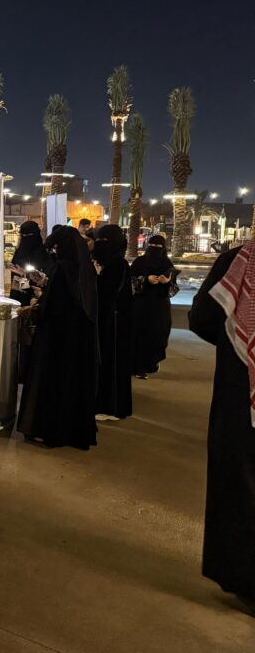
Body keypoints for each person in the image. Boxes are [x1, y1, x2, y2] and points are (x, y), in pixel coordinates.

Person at [188, 240, 255, 612]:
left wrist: (234, 346)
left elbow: (203, 317)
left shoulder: (241, 259)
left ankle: (244, 576)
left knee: (241, 477)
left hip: (241, 390)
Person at [17, 225, 100, 449]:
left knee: (50, 383)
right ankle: (70, 429)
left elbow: (54, 305)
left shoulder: (63, 269)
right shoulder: (85, 269)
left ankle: (48, 429)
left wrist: (37, 303)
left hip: (55, 338)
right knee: (71, 383)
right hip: (78, 338)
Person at [93, 224, 133, 420]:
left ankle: (111, 407)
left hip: (114, 323)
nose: (99, 245)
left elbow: (107, 293)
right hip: (106, 321)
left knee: (112, 364)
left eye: (103, 241)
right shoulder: (107, 263)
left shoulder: (118, 264)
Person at [130, 234, 175, 379]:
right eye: (152, 246)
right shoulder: (139, 262)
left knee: (158, 335)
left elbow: (173, 288)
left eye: (158, 247)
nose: (154, 249)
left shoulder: (167, 264)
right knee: (140, 334)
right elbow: (131, 281)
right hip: (141, 305)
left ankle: (152, 363)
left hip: (159, 306)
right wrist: (145, 279)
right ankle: (139, 367)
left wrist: (167, 280)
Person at [10, 220, 50, 306]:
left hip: (36, 295)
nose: (25, 238)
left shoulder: (42, 253)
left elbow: (45, 277)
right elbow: (15, 274)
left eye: (28, 236)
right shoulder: (20, 251)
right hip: (18, 292)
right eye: (23, 236)